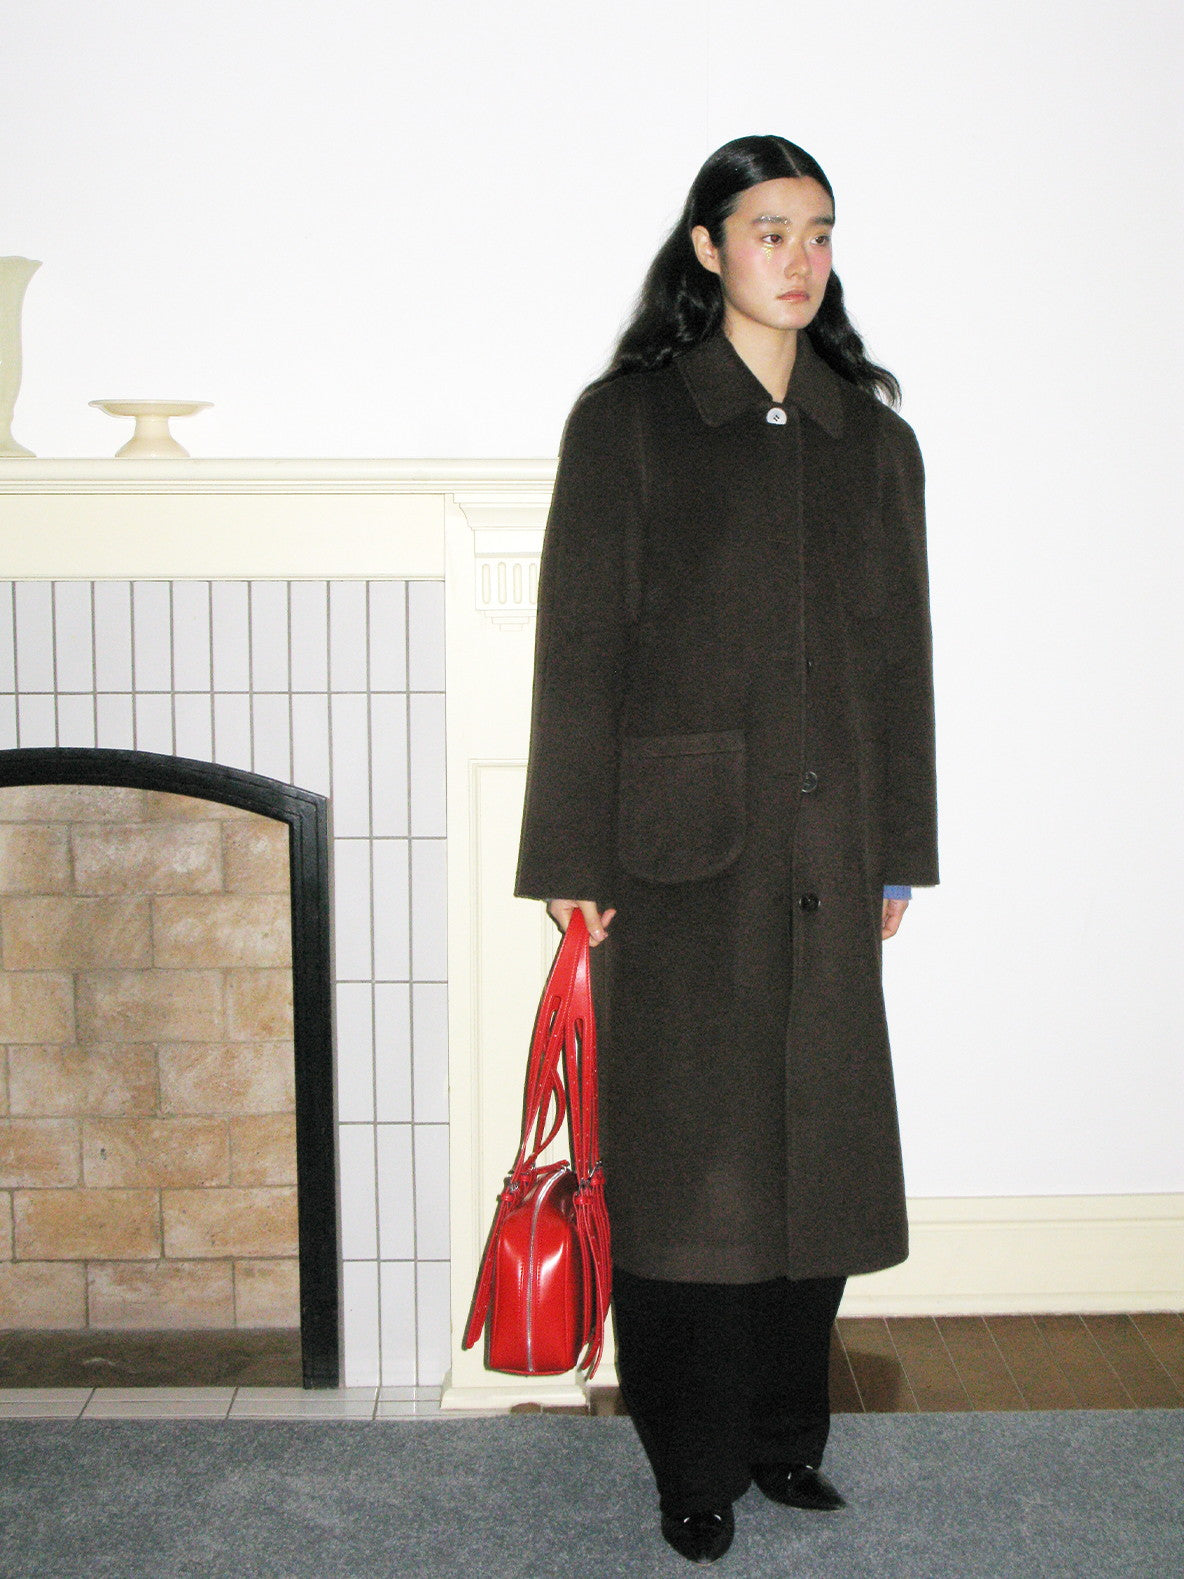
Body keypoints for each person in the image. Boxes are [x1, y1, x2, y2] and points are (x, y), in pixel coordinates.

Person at [514, 134, 938, 1565]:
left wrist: (899, 852)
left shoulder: (872, 439)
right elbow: (579, 650)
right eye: (769, 231)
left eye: (819, 232)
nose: (799, 258)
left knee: (818, 1158)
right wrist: (572, 854)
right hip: (673, 858)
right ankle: (691, 1465)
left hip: (834, 849)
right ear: (708, 247)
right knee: (692, 1175)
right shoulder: (628, 424)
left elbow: (901, 664)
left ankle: (783, 1440)